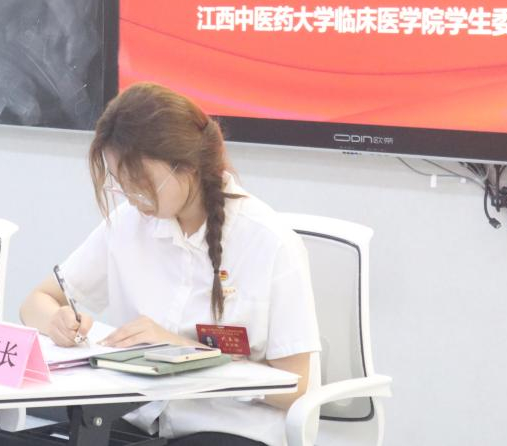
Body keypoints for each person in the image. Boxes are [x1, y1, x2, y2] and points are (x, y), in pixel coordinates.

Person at [20, 82, 321, 446]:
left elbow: (296, 387)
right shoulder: (129, 223)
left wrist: (183, 353)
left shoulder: (269, 241)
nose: (132, 197)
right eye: (121, 183)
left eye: (140, 182)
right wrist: (56, 320)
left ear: (187, 166)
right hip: (139, 419)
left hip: (229, 428)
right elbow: (36, 301)